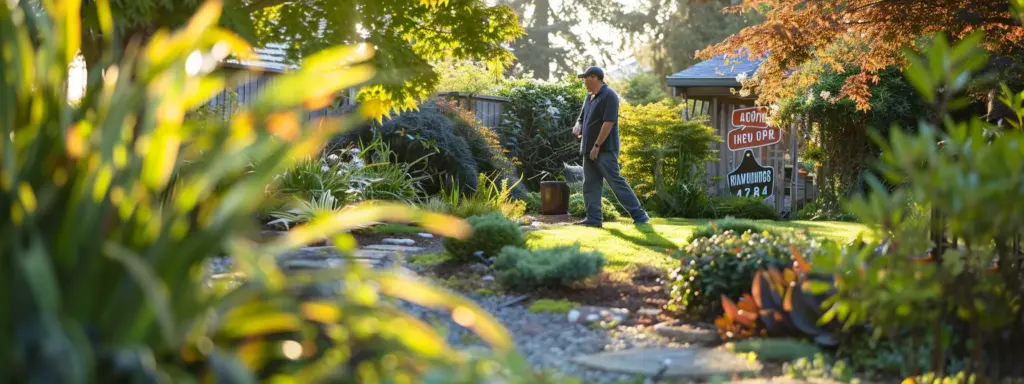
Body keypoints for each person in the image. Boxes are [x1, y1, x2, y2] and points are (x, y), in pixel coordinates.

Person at [571, 66, 650, 227]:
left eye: (586, 78)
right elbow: (581, 118)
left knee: (615, 182)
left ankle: (640, 216)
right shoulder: (589, 97)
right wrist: (578, 126)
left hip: (604, 150)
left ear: (595, 78)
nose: (584, 82)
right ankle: (593, 219)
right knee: (590, 185)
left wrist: (597, 145)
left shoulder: (609, 95)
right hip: (588, 149)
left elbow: (609, 122)